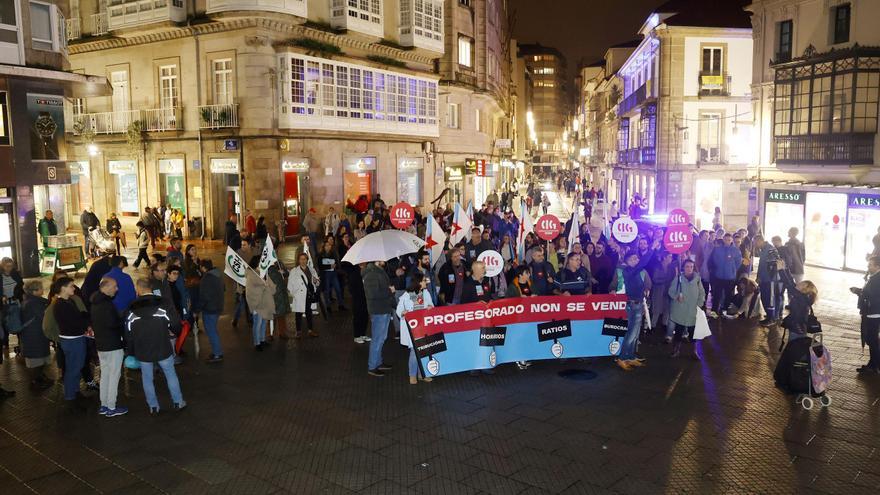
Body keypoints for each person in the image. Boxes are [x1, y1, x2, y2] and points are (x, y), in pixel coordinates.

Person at [126, 278, 186, 414]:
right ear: (151, 288)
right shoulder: (164, 303)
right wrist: (173, 332)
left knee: (147, 377)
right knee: (170, 374)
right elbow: (176, 323)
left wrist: (131, 351)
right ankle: (178, 402)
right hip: (162, 345)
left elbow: (128, 332)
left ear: (138, 289)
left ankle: (153, 406)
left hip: (142, 349)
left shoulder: (131, 308)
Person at [773, 261, 819, 390]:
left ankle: (790, 379)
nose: (799, 283)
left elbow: (789, 284)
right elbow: (791, 283)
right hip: (799, 329)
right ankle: (789, 378)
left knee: (792, 354)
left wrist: (781, 270)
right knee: (793, 353)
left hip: (797, 330)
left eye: (802, 284)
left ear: (804, 289)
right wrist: (785, 267)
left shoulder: (800, 298)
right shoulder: (803, 297)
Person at [615, 242, 658, 371]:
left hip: (638, 304)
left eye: (636, 258)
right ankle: (622, 358)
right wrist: (652, 248)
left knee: (635, 333)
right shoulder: (629, 271)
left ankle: (630, 356)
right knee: (631, 333)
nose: (636, 260)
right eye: (633, 258)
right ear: (627, 261)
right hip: (633, 305)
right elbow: (643, 263)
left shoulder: (634, 271)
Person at [90, 277, 128, 417]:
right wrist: (122, 320)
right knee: (114, 375)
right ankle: (111, 407)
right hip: (113, 344)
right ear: (105, 287)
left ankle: (104, 405)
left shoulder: (95, 302)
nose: (116, 289)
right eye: (114, 286)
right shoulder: (106, 304)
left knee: (105, 374)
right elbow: (112, 324)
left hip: (101, 344)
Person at [53, 277, 91, 409]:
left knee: (75, 366)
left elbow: (78, 317)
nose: (74, 288)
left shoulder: (67, 302)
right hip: (72, 339)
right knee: (74, 367)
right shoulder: (61, 305)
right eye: (71, 286)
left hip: (74, 338)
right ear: (63, 288)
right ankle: (70, 396)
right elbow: (74, 322)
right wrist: (85, 323)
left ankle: (74, 390)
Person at [396, 273, 435, 385]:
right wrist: (403, 313)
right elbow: (399, 310)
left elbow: (431, 305)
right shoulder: (407, 295)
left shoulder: (425, 293)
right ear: (418, 282)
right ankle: (412, 375)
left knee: (424, 350)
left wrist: (430, 307)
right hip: (412, 329)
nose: (425, 282)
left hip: (423, 327)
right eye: (423, 280)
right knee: (414, 352)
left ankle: (422, 374)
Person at [667, 259, 706, 359]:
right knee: (679, 331)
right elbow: (671, 291)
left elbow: (702, 293)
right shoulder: (678, 278)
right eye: (687, 266)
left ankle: (694, 351)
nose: (689, 269)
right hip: (680, 310)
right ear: (683, 267)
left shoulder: (697, 279)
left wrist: (699, 304)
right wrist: (677, 296)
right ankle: (676, 350)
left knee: (693, 332)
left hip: (692, 310)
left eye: (691, 267)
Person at [363, 260, 395, 377]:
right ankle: (372, 366)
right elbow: (372, 294)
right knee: (377, 339)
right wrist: (389, 291)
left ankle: (378, 362)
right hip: (378, 310)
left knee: (381, 338)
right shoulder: (371, 273)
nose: (385, 260)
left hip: (383, 308)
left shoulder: (379, 271)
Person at [19, 280, 52, 390]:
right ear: (35, 291)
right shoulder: (34, 303)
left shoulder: (29, 301)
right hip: (35, 335)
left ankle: (39, 378)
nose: (43, 290)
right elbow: (44, 317)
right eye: (41, 288)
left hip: (34, 334)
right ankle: (35, 381)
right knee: (36, 361)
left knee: (38, 359)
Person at [852, 256, 880, 374]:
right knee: (873, 339)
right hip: (873, 312)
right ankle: (874, 363)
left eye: (870, 265)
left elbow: (872, 296)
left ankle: (874, 365)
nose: (868, 267)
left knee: (871, 339)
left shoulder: (876, 279)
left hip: (873, 313)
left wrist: (859, 292)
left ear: (877, 266)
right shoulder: (874, 277)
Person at [244, 256, 276, 351]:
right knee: (257, 324)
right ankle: (257, 343)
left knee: (263, 322)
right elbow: (249, 292)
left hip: (265, 303)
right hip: (257, 304)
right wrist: (264, 286)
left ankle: (262, 340)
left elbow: (272, 286)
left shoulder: (263, 273)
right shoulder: (251, 274)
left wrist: (267, 285)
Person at [196, 259, 225, 362]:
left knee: (211, 331)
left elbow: (205, 297)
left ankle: (217, 354)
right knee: (213, 330)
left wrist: (197, 309)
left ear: (203, 268)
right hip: (218, 306)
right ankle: (217, 352)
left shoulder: (207, 279)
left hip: (210, 309)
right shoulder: (218, 274)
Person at [708, 233, 742, 318]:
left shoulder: (736, 250)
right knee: (716, 295)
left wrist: (733, 270)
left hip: (730, 277)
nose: (727, 241)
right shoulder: (717, 249)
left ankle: (725, 311)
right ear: (723, 240)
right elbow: (712, 260)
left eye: (729, 240)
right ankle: (714, 311)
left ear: (731, 241)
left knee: (728, 295)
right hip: (718, 276)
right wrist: (716, 270)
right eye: (726, 240)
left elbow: (738, 263)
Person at [288, 252, 320, 338]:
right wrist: (295, 294)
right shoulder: (294, 271)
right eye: (301, 259)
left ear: (307, 260)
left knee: (309, 312)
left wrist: (316, 281)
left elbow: (317, 282)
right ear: (298, 260)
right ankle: (298, 331)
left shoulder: (311, 269)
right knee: (298, 314)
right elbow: (290, 285)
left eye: (304, 259)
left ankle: (310, 330)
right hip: (299, 296)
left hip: (309, 294)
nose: (303, 261)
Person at [754, 235, 781, 326]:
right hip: (764, 279)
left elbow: (775, 265)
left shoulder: (770, 249)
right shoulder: (763, 250)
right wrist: (759, 277)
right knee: (764, 297)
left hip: (770, 280)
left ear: (761, 241)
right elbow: (761, 266)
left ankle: (771, 319)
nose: (755, 244)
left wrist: (771, 278)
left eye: (756, 242)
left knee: (769, 299)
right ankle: (769, 315)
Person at [650, 252, 675, 338]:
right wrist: (665, 280)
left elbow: (673, 278)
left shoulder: (671, 267)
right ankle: (652, 326)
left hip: (668, 291)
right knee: (657, 309)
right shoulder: (658, 266)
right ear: (664, 258)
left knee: (666, 309)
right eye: (669, 256)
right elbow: (655, 279)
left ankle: (664, 324)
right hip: (659, 291)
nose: (671, 258)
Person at [318, 238, 345, 312]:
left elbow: (336, 262)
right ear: (323, 246)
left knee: (338, 289)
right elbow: (320, 266)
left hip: (333, 273)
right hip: (326, 274)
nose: (328, 247)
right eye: (326, 245)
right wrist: (329, 266)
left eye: (329, 245)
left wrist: (335, 266)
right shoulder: (320, 255)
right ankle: (328, 306)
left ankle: (341, 305)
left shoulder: (333, 253)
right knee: (326, 290)